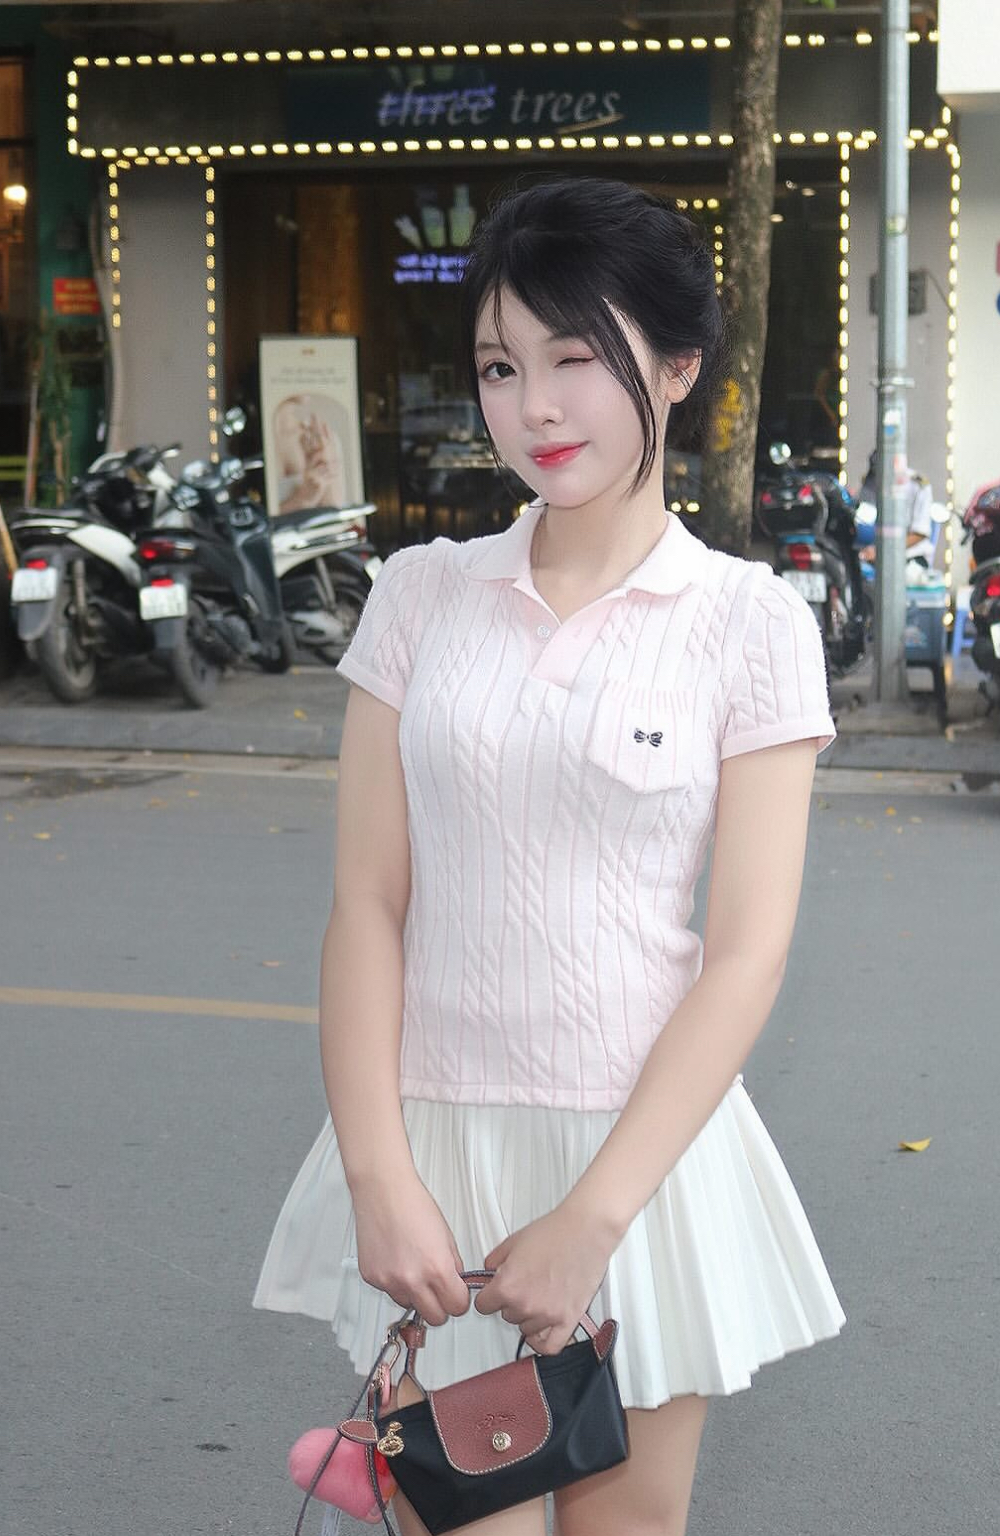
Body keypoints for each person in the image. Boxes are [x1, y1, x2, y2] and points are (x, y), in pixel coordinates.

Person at [254, 179, 844, 1536]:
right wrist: (380, 1177)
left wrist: (595, 1219)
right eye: (501, 368)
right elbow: (368, 904)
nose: (536, 408)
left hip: (640, 1166)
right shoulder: (420, 596)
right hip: (437, 1156)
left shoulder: (747, 624)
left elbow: (746, 956)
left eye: (576, 358)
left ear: (678, 367)